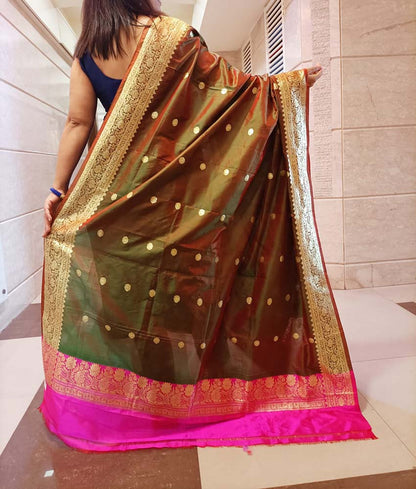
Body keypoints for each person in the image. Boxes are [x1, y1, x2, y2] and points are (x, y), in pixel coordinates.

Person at [39, 0, 376, 452]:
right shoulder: (172, 36)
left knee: (127, 303)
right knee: (178, 300)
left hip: (117, 209)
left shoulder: (88, 52)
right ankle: (184, 394)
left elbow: (78, 122)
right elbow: (230, 97)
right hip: (178, 207)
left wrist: (58, 190)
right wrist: (286, 87)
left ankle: (133, 399)